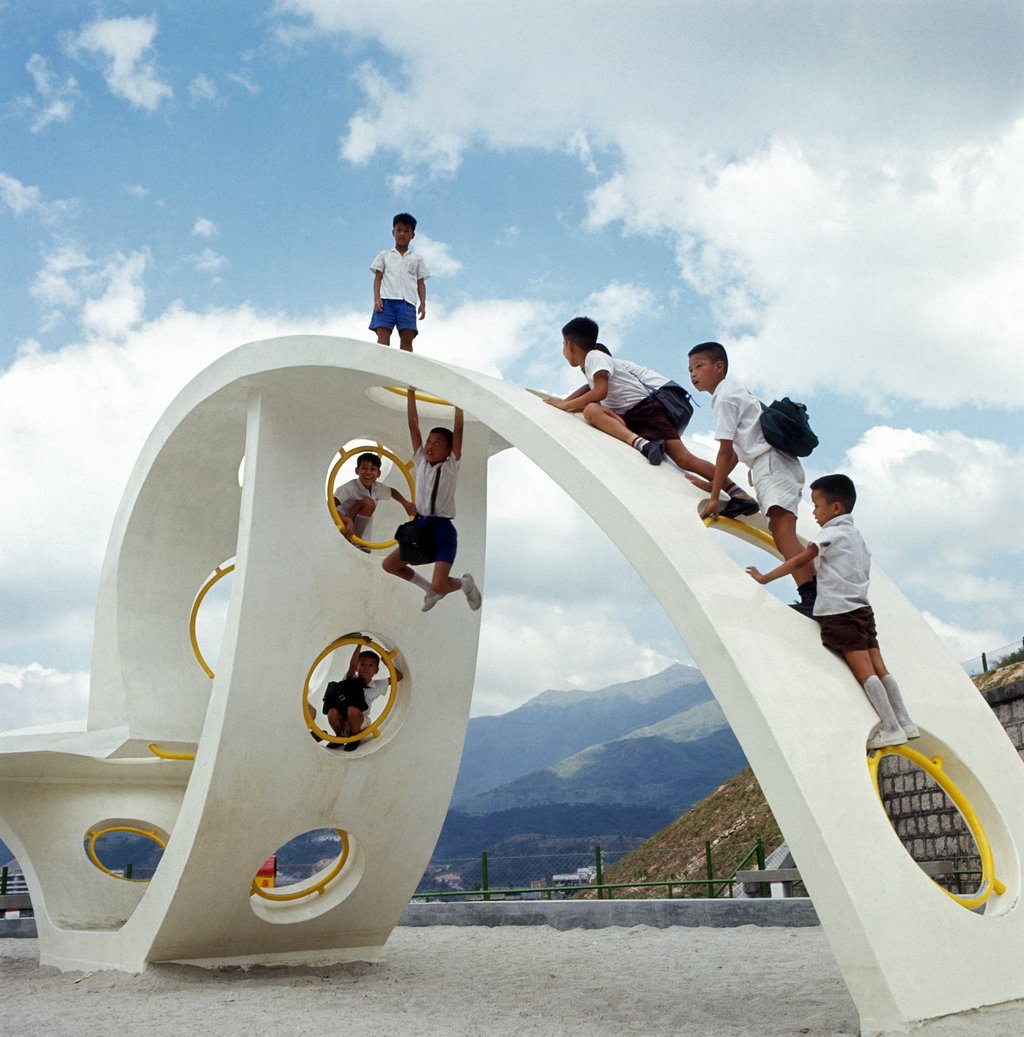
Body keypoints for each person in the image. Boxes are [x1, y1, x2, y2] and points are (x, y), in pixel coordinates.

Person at [746, 474, 919, 749]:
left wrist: (764, 578)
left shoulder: (829, 534)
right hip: (863, 609)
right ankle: (906, 722)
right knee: (881, 668)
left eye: (816, 505)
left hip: (840, 613)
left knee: (865, 673)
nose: (813, 512)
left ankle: (891, 727)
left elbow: (798, 560)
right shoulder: (857, 537)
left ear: (835, 508)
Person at [543, 317, 758, 518]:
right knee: (592, 411)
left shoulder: (595, 357)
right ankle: (643, 443)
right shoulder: (592, 367)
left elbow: (599, 391)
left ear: (569, 345)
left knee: (683, 459)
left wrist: (565, 405)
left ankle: (736, 492)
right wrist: (558, 402)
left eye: (563, 345)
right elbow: (586, 390)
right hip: (632, 417)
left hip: (646, 410)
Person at [687, 340, 816, 613]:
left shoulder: (724, 398)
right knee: (783, 533)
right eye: (690, 369)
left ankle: (812, 598)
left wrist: (713, 498)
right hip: (777, 464)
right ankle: (813, 595)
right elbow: (734, 454)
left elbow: (724, 453)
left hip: (769, 465)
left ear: (719, 367)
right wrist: (715, 485)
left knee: (782, 533)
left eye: (699, 366)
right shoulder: (736, 394)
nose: (693, 374)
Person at [382, 387, 482, 612]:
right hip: (420, 525)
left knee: (442, 583)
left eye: (437, 443)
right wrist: (410, 392)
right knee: (389, 565)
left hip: (442, 529)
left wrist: (459, 402)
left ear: (449, 451)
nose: (429, 446)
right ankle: (429, 590)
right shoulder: (420, 461)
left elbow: (458, 429)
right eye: (428, 441)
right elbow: (413, 423)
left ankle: (465, 583)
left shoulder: (450, 466)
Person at [321, 643, 403, 752]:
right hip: (344, 720)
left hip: (360, 722)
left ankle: (354, 738)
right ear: (357, 667)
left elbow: (398, 677)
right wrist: (360, 644)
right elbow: (352, 666)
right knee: (332, 711)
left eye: (371, 665)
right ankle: (339, 737)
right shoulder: (349, 679)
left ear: (376, 670)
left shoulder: (376, 686)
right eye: (362, 664)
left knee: (353, 710)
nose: (366, 668)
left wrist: (387, 662)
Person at [369, 212, 429, 351]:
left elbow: (421, 282)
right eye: (399, 230)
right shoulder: (385, 255)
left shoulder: (416, 259)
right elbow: (378, 277)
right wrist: (377, 298)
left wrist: (423, 304)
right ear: (393, 232)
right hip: (386, 301)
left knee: (407, 337)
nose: (402, 234)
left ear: (412, 235)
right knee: (383, 336)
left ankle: (405, 370)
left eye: (407, 231)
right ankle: (381, 366)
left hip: (407, 303)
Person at [333, 452, 413, 544]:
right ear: (357, 470)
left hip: (359, 533)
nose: (368, 472)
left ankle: (357, 541)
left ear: (379, 473)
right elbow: (330, 505)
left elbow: (392, 492)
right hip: (342, 525)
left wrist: (406, 504)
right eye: (364, 468)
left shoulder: (377, 488)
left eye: (373, 469)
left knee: (368, 503)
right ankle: (352, 539)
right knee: (368, 502)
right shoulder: (349, 488)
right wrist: (347, 520)